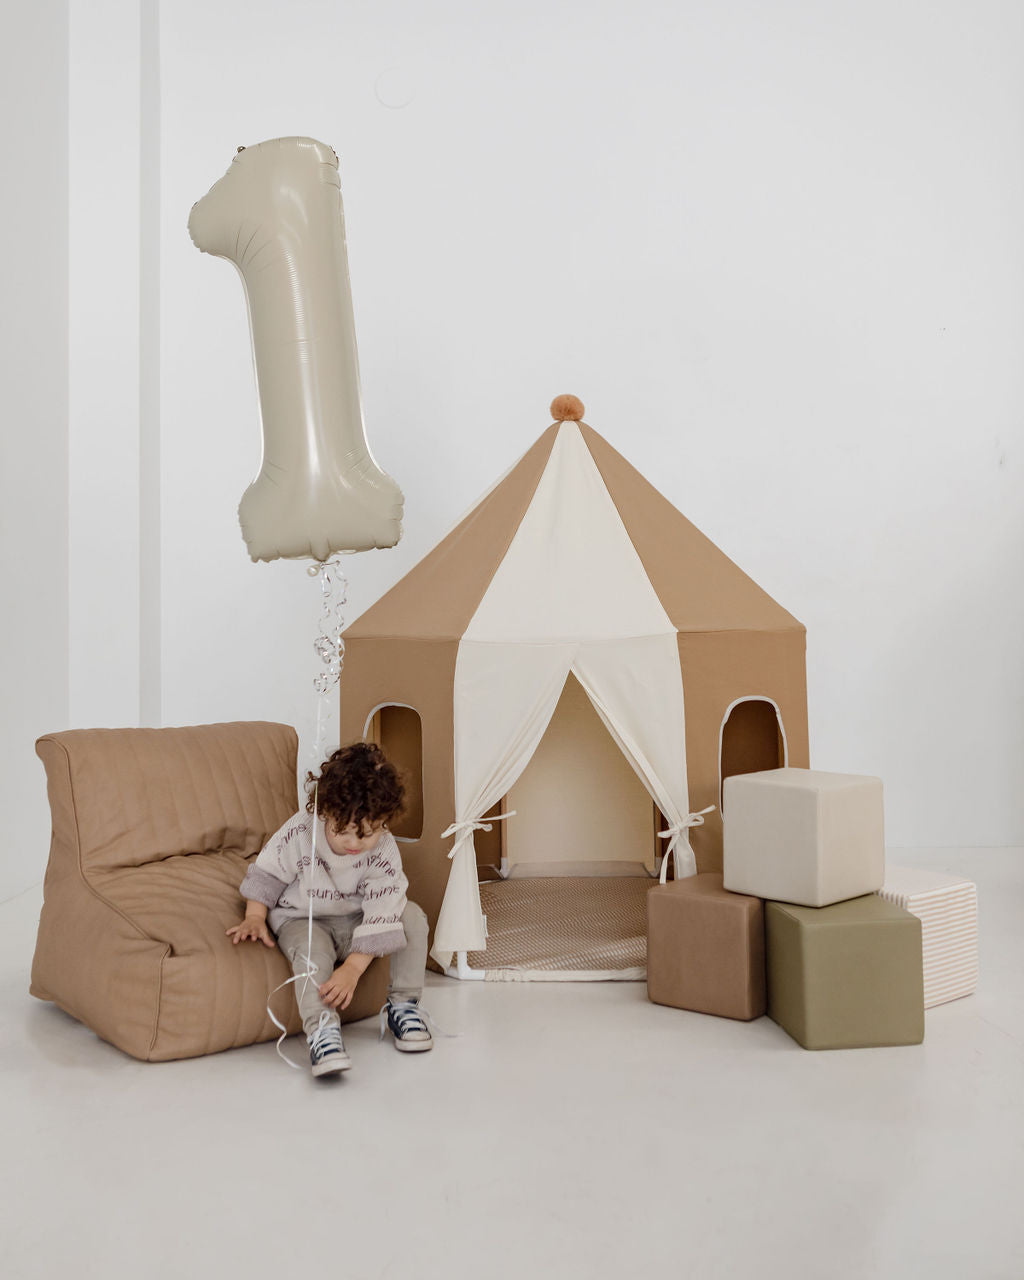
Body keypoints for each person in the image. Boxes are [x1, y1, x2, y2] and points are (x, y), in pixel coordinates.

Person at [226, 741, 432, 1077]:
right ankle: (322, 1031)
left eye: (366, 834)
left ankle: (404, 1006)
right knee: (312, 951)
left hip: (357, 921)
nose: (353, 843)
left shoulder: (383, 850)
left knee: (413, 917)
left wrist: (353, 968)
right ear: (325, 812)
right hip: (304, 919)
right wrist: (254, 916)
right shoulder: (301, 831)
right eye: (343, 832)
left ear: (384, 822)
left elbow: (384, 907)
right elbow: (267, 873)